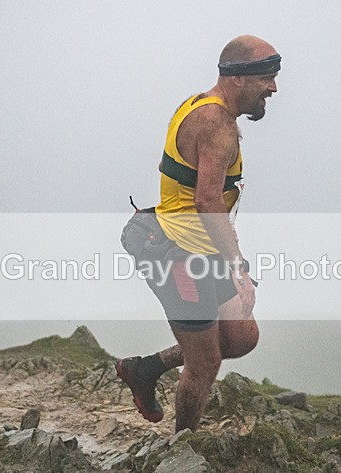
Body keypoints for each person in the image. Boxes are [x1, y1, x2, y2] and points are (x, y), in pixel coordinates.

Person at [116, 35, 280, 432]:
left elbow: (170, 167)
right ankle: (184, 448)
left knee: (241, 336)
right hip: (174, 254)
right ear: (239, 79)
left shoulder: (199, 107)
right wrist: (238, 269)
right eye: (267, 79)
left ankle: (145, 369)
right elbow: (208, 202)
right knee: (205, 363)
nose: (273, 89)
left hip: (200, 248)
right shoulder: (216, 123)